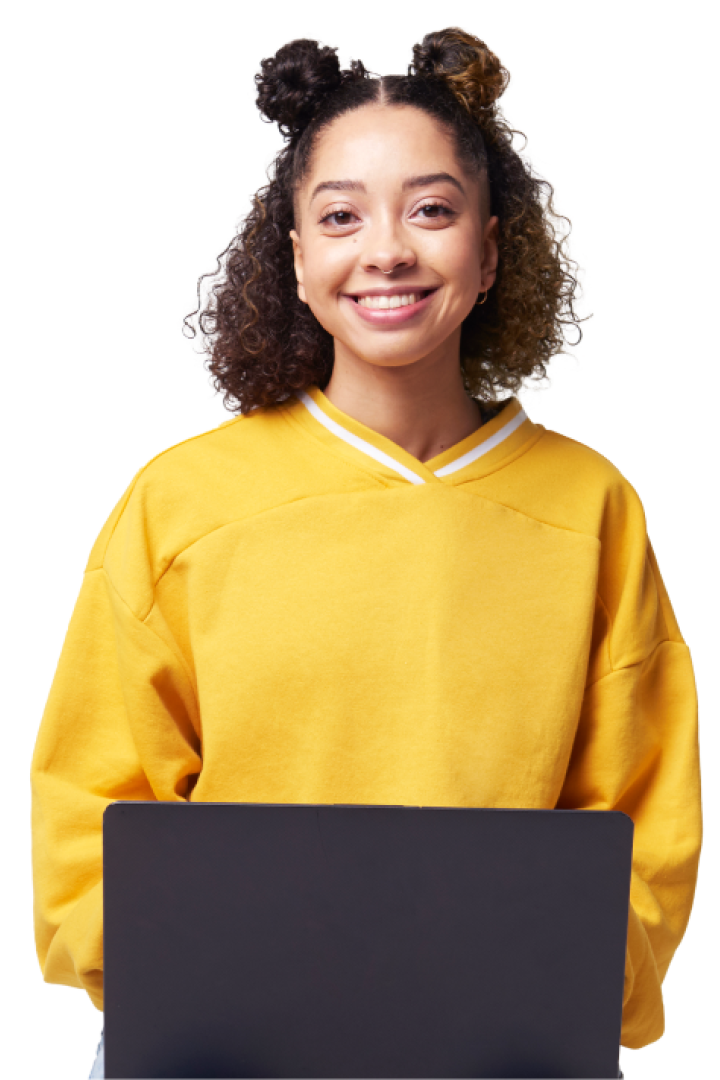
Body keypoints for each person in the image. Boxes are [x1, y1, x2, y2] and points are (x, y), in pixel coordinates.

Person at [31, 27, 702, 1080]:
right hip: (219, 1043)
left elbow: (644, 805)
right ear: (295, 258)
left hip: (510, 1046)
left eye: (430, 210)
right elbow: (88, 802)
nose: (385, 248)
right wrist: (163, 971)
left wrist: (573, 983)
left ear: (490, 249)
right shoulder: (180, 501)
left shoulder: (590, 505)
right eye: (340, 216)